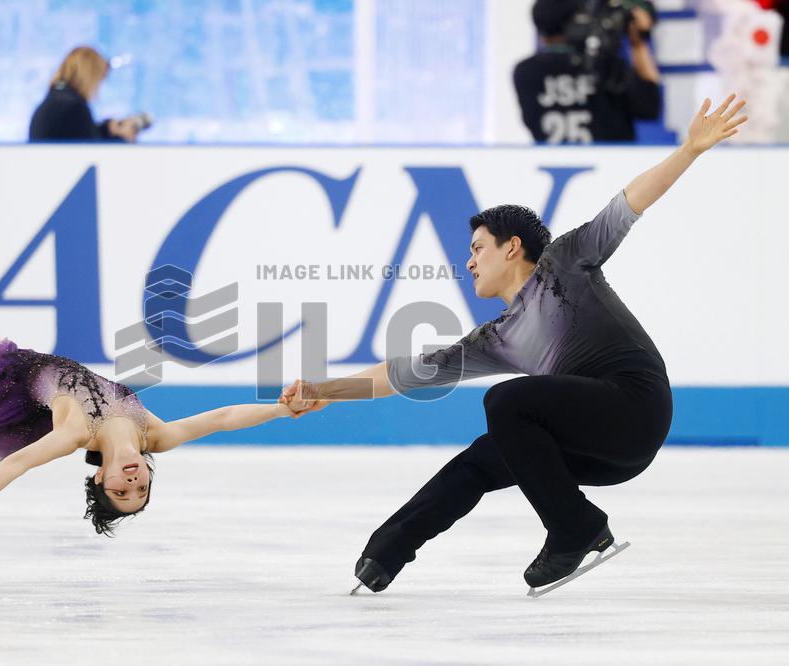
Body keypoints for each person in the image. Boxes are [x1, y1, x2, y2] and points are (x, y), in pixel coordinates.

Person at [282, 95, 748, 594]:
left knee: (506, 400)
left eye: (477, 248)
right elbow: (402, 373)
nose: (470, 262)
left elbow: (628, 204)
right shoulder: (497, 338)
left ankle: (575, 528)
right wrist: (325, 390)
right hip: (602, 455)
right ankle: (385, 551)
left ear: (512, 247)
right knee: (482, 457)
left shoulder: (565, 262)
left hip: (635, 407)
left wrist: (690, 150)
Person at [0, 285, 297, 581]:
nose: (132, 480)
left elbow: (18, 463)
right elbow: (218, 419)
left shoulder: (76, 433)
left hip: (1, 381)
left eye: (122, 490)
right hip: (25, 415)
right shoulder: (154, 434)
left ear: (100, 481)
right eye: (141, 487)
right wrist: (278, 409)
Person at [513, 0, 661, 143]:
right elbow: (650, 107)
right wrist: (638, 43)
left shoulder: (525, 72)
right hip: (615, 164)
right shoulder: (604, 64)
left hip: (552, 160)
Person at [28, 46, 142, 143]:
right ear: (90, 76)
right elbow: (90, 151)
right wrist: (122, 138)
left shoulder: (56, 101)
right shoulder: (73, 108)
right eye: (100, 78)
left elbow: (77, 136)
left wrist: (106, 130)